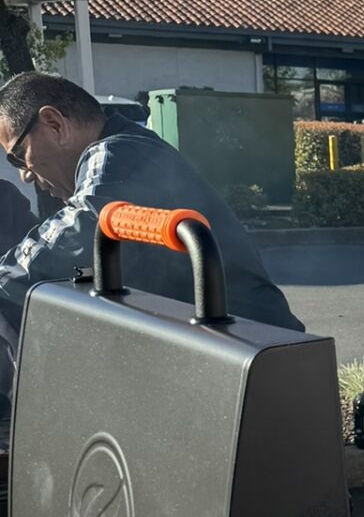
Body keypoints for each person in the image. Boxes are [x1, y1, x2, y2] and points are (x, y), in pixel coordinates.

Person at [0, 72, 303, 335]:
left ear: (55, 125)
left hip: (255, 349)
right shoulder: (130, 149)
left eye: (17, 155)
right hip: (233, 343)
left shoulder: (116, 153)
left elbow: (84, 225)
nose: (24, 175)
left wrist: (3, 277)